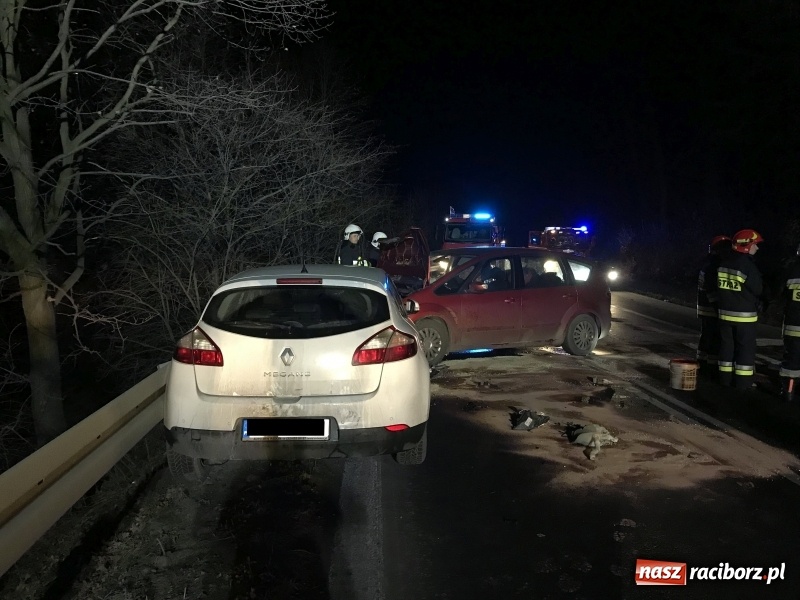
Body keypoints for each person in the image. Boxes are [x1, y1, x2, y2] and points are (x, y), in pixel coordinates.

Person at [716, 229, 764, 390]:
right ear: (746, 246)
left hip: (724, 315)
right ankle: (743, 384)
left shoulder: (724, 262)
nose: (757, 249)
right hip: (745, 318)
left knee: (726, 348)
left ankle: (724, 379)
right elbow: (758, 289)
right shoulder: (747, 266)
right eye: (755, 245)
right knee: (745, 349)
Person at [696, 235, 730, 375]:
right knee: (713, 337)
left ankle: (702, 361)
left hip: (705, 307)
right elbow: (711, 289)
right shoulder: (714, 265)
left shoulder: (709, 262)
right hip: (710, 308)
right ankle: (710, 366)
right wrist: (718, 307)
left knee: (707, 336)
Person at [779, 243, 800, 402]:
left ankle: (788, 392)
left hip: (793, 325)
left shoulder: (791, 271)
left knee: (791, 359)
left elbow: (782, 295)